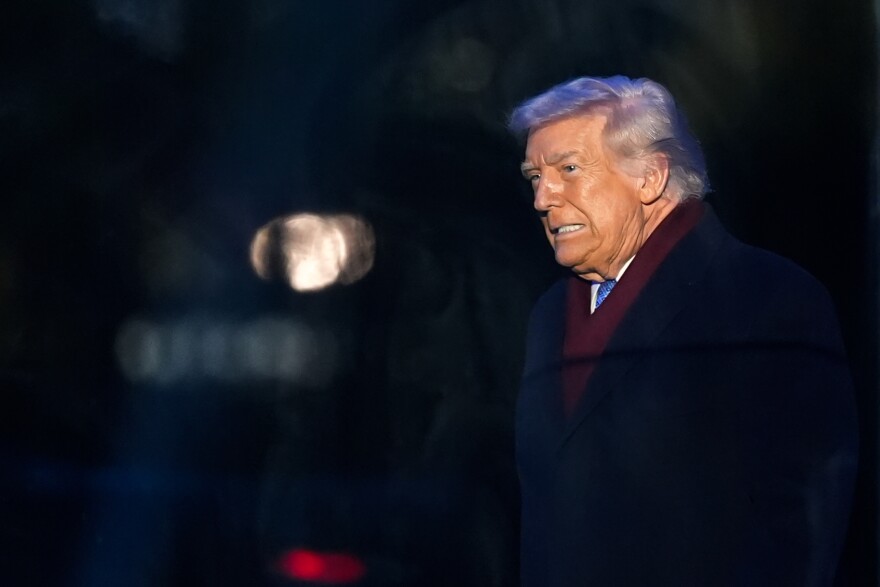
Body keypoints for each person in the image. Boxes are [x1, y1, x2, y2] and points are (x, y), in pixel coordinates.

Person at [509, 76, 858, 586]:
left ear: (650, 177)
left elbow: (803, 525)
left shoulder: (769, 298)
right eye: (534, 176)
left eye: (569, 169)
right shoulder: (548, 315)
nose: (543, 197)